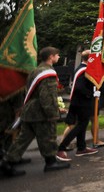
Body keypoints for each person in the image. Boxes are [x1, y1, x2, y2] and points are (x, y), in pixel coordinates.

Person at [1, 47, 70, 176]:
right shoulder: (47, 72)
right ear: (51, 57)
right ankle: (51, 162)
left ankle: (7, 162)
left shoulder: (36, 70)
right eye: (57, 55)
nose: (58, 57)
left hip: (29, 110)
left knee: (22, 140)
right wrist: (52, 113)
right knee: (48, 137)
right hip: (40, 112)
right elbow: (47, 95)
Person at [56, 50, 98, 160]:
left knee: (82, 124)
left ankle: (81, 147)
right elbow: (80, 87)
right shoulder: (84, 70)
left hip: (77, 101)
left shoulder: (80, 68)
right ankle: (61, 148)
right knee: (80, 126)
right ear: (90, 59)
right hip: (82, 102)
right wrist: (91, 93)